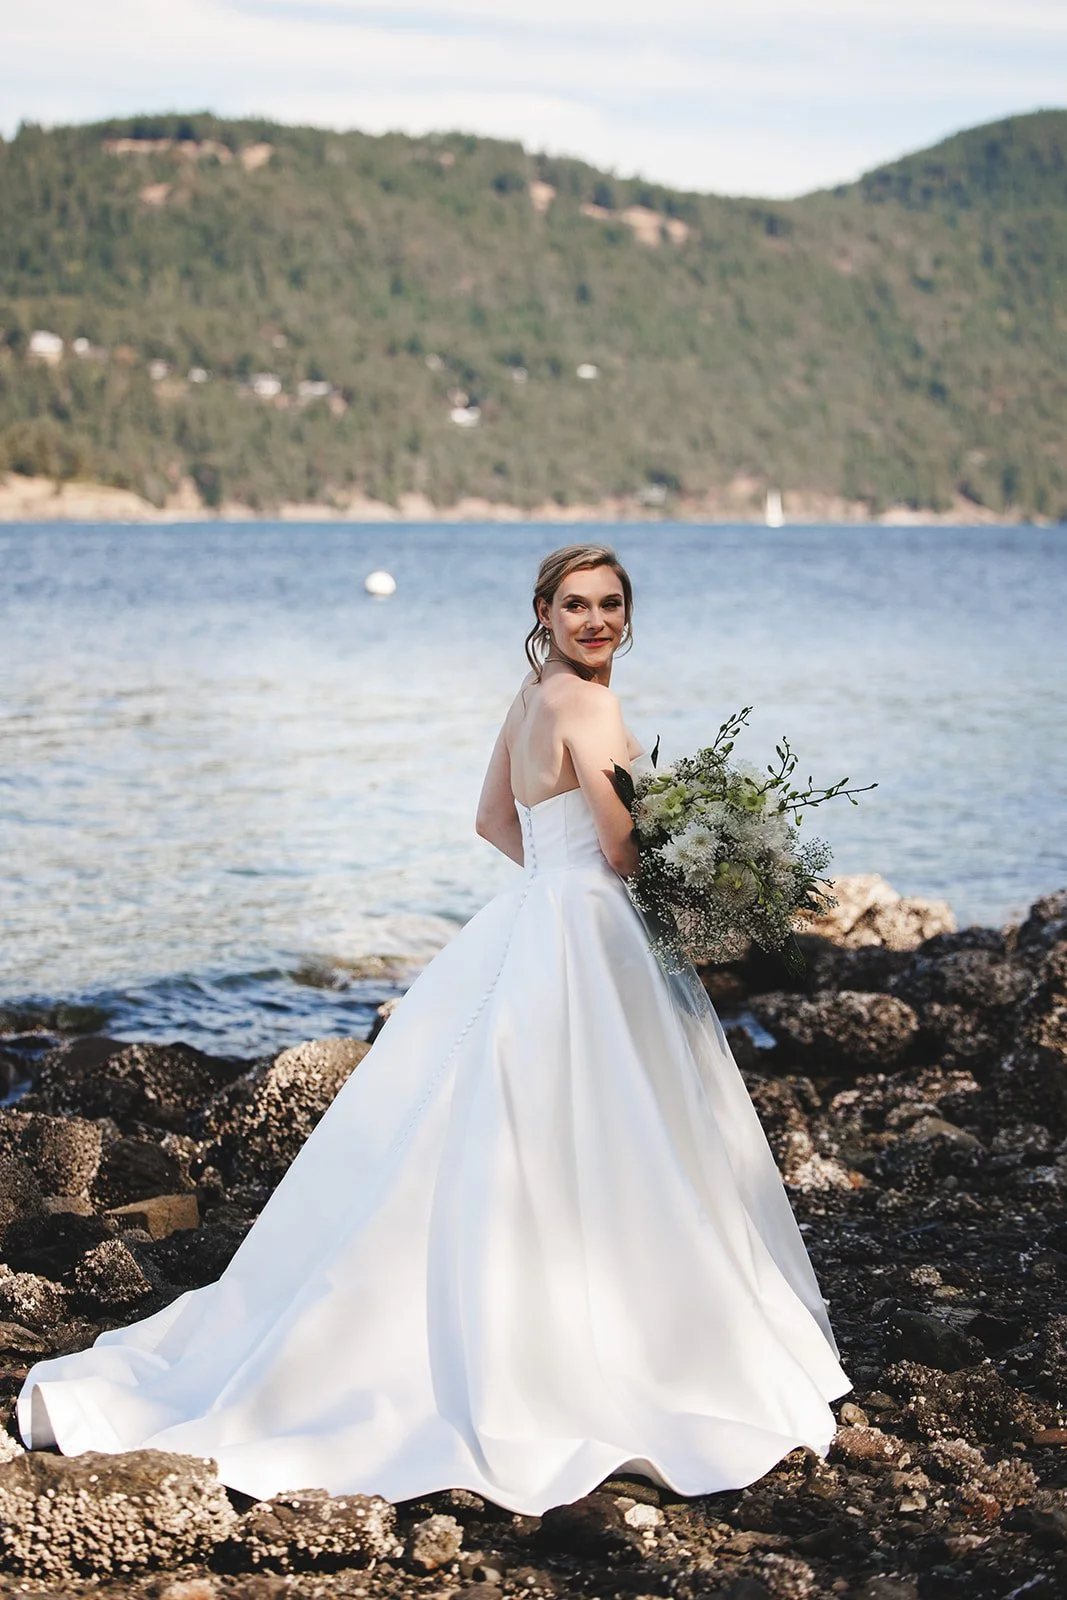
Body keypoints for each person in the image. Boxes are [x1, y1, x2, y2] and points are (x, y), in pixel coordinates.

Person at [18, 543, 849, 1515]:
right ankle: (613, 1335)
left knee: (486, 1124)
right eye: (576, 605)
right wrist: (691, 866)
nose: (594, 621)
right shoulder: (588, 703)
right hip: (589, 932)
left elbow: (493, 821)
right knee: (614, 1131)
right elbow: (622, 849)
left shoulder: (528, 696)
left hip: (529, 920)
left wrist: (558, 875)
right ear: (541, 609)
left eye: (609, 605)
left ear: (626, 613)